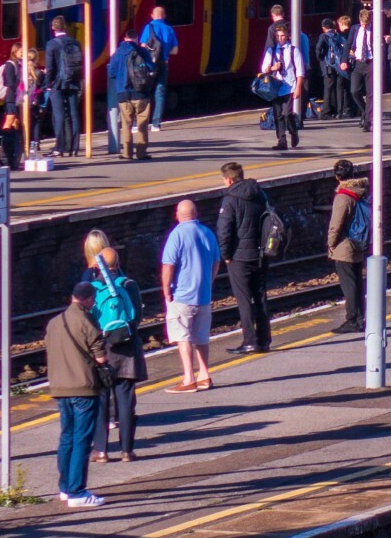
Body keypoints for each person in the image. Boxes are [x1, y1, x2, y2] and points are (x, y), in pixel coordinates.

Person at [81, 232, 145, 462]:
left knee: (100, 400)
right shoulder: (129, 284)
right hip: (127, 350)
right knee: (126, 401)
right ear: (118, 264)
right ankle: (127, 451)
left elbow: (85, 321)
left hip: (101, 351)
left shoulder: (90, 287)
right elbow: (136, 316)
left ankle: (101, 451)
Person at [45, 282, 108, 508]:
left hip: (60, 388)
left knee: (67, 437)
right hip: (83, 387)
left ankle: (64, 488)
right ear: (88, 298)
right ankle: (77, 492)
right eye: (93, 300)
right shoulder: (87, 320)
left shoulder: (54, 323)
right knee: (82, 439)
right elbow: (101, 358)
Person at [160, 199, 220, 392]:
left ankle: (189, 379)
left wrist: (166, 288)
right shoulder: (207, 232)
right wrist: (208, 281)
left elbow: (168, 265)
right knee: (202, 336)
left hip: (182, 295)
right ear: (196, 214)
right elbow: (217, 261)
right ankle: (204, 375)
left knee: (183, 335)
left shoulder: (176, 235)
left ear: (177, 215)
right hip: (203, 295)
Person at [216, 161, 272, 354]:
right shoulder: (260, 194)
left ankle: (250, 341)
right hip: (261, 253)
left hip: (239, 257)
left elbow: (224, 231)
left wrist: (225, 255)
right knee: (261, 295)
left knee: (244, 300)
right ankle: (264, 340)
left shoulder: (230, 200)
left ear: (229, 179)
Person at [326, 159, 368, 332]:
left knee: (349, 284)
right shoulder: (362, 192)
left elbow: (336, 224)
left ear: (337, 177)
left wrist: (330, 244)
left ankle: (352, 319)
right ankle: (360, 317)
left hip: (345, 247)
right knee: (357, 282)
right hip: (360, 242)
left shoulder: (343, 196)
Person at [107, 29, 154, 162]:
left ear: (125, 38)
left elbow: (111, 73)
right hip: (141, 93)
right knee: (142, 124)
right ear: (136, 39)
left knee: (126, 124)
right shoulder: (142, 51)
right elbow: (151, 68)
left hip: (123, 93)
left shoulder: (117, 53)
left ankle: (127, 153)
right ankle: (141, 153)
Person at [258, 21, 306, 151]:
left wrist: (298, 88)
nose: (280, 39)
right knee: (278, 114)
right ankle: (282, 140)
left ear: (287, 36)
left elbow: (300, 71)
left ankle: (293, 131)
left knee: (287, 113)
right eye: (278, 36)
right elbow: (264, 69)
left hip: (289, 86)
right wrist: (274, 67)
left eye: (283, 36)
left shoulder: (293, 51)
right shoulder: (271, 51)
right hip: (275, 87)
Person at [44, 15, 84, 157]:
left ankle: (59, 148)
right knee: (74, 114)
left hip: (58, 84)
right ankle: (74, 147)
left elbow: (49, 67)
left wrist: (48, 84)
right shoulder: (75, 42)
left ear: (53, 28)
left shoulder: (51, 44)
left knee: (59, 115)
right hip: (73, 81)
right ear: (65, 27)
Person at [140, 6, 180, 127]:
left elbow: (142, 46)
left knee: (144, 92)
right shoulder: (169, 29)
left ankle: (141, 123)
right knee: (160, 93)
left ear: (152, 15)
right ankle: (156, 124)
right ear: (164, 16)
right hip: (163, 64)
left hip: (149, 65)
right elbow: (175, 51)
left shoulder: (148, 27)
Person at [0, 43, 24, 171]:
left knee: (15, 123)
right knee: (8, 122)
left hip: (15, 98)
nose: (23, 54)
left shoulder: (17, 64)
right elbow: (9, 82)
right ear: (15, 52)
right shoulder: (10, 65)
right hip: (11, 98)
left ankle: (13, 153)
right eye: (21, 52)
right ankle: (4, 154)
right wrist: (21, 81)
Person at [349, 4, 376, 132]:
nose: (365, 26)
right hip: (358, 63)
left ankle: (368, 121)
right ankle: (365, 110)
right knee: (354, 90)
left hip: (371, 63)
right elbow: (348, 45)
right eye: (363, 24)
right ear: (359, 21)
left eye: (367, 24)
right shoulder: (355, 29)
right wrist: (344, 60)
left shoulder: (375, 30)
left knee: (371, 94)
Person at [316, 17, 348, 122]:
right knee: (339, 88)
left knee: (328, 89)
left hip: (328, 66)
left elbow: (318, 50)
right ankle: (339, 111)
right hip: (339, 66)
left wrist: (320, 59)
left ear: (323, 28)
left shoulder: (323, 36)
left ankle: (326, 112)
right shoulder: (338, 35)